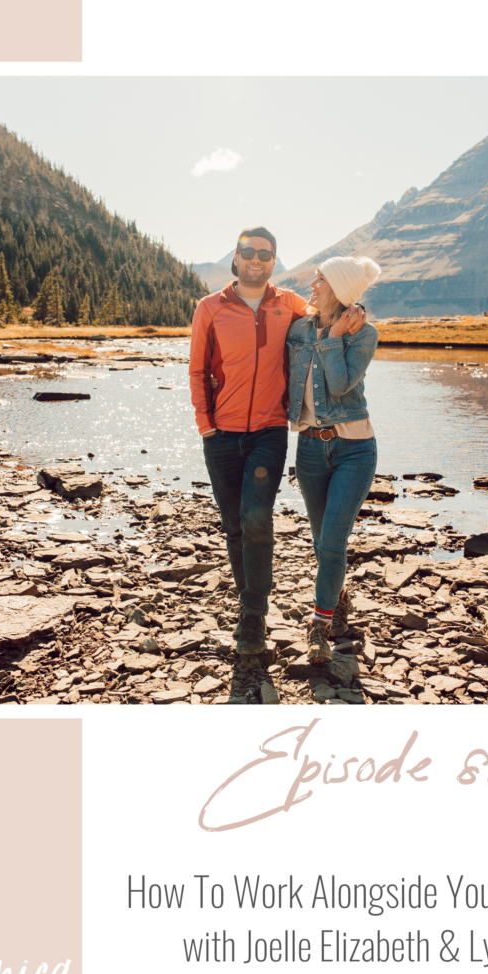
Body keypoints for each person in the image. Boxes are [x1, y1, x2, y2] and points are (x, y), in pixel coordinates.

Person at [189, 227, 314, 693]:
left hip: (268, 430)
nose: (256, 259)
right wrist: (206, 424)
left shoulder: (290, 304)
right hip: (221, 435)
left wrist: (353, 314)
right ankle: (250, 604)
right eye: (248, 252)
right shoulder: (210, 307)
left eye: (265, 253)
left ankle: (254, 617)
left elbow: (324, 319)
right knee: (234, 525)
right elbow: (198, 370)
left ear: (274, 260)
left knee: (257, 517)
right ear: (236, 259)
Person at [285, 255, 381, 665]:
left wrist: (334, 337)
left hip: (354, 449)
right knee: (321, 543)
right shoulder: (297, 330)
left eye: (320, 279)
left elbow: (341, 385)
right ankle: (338, 599)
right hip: (309, 447)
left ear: (338, 289)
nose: (312, 285)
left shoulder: (363, 334)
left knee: (332, 541)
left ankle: (319, 627)